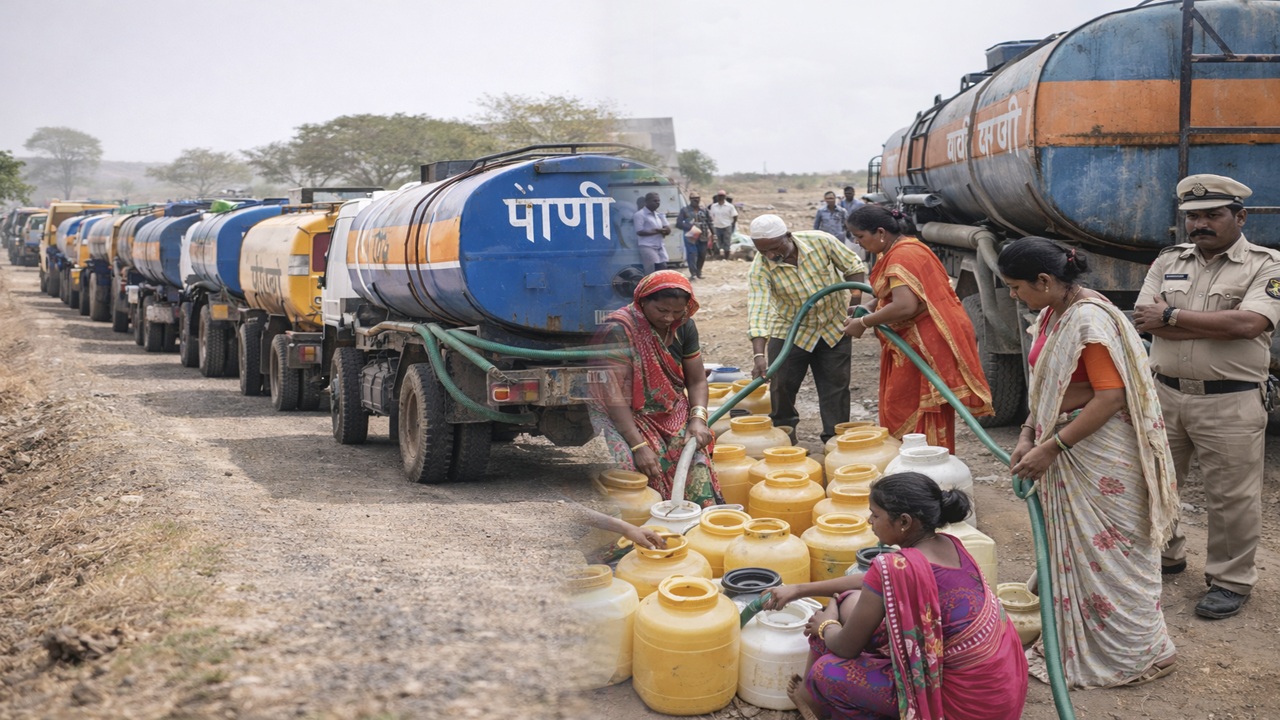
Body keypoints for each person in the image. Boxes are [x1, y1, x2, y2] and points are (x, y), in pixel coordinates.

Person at [1000, 237, 1180, 687]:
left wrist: (1050, 448)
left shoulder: (1088, 321)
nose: (1012, 295)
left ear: (1044, 280)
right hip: (1064, 440)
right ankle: (1078, 641)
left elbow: (1109, 398)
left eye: (1016, 286)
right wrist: (1027, 433)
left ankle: (1142, 653)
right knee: (1076, 554)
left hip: (1101, 454)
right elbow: (1047, 388)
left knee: (1112, 556)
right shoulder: (1050, 314)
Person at [1133, 173, 1280, 620]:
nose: (1201, 224)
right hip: (1165, 395)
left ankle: (1230, 581)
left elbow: (1250, 325)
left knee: (1232, 498)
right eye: (1193, 216)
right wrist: (1204, 321)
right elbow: (1144, 318)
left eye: (1213, 214)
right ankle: (1168, 555)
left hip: (1231, 401)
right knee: (1158, 482)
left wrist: (1173, 316)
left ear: (1239, 216)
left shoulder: (1266, 264)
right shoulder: (1168, 259)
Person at [763, 472, 1028, 720]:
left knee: (826, 671)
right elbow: (870, 584)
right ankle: (813, 698)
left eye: (875, 515)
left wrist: (825, 623)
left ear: (903, 521)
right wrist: (799, 589)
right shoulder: (949, 545)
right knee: (848, 601)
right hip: (998, 692)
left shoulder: (896, 566)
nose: (870, 522)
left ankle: (823, 702)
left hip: (958, 705)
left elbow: (845, 646)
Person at [843, 206, 992, 452]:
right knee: (904, 404)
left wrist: (864, 322)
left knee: (911, 406)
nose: (859, 243)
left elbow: (905, 305)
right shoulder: (904, 247)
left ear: (880, 232)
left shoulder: (903, 255)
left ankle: (924, 471)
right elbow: (894, 294)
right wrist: (870, 306)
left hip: (924, 344)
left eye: (860, 237)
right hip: (918, 340)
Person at [590, 270, 721, 506]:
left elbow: (697, 380)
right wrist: (638, 445)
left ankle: (695, 522)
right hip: (624, 411)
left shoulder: (685, 327)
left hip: (669, 408)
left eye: (677, 312)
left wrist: (698, 419)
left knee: (694, 454)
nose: (669, 318)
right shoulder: (620, 329)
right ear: (642, 301)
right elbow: (613, 394)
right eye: (662, 311)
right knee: (632, 470)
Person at [747, 214, 866, 443]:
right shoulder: (761, 268)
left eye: (774, 248)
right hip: (791, 330)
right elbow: (758, 309)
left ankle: (835, 441)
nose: (771, 256)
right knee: (781, 386)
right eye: (763, 252)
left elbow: (853, 266)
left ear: (788, 236)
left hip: (833, 326)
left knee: (836, 388)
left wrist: (855, 305)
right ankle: (785, 438)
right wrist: (759, 354)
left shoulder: (821, 241)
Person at [676, 192, 712, 280]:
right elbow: (679, 223)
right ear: (690, 199)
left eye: (697, 198)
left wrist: (713, 234)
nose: (696, 200)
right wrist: (690, 227)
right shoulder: (684, 210)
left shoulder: (704, 210)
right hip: (690, 236)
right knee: (692, 254)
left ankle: (699, 271)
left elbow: (710, 222)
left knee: (702, 255)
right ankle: (693, 273)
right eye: (694, 198)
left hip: (703, 236)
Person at [633, 192, 671, 275]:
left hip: (660, 246)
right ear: (647, 202)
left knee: (663, 268)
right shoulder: (640, 215)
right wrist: (658, 231)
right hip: (647, 246)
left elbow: (668, 229)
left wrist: (665, 230)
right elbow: (639, 231)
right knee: (652, 271)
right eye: (654, 201)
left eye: (658, 201)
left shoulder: (659, 215)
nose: (657, 203)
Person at [708, 190, 738, 260]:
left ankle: (726, 258)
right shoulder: (713, 206)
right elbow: (711, 216)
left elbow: (735, 216)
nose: (721, 197)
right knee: (717, 242)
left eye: (722, 196)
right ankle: (717, 256)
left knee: (727, 242)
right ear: (717, 197)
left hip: (727, 226)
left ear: (725, 197)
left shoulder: (730, 206)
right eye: (719, 196)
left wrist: (732, 224)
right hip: (716, 227)